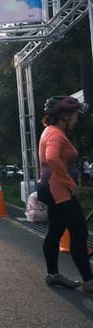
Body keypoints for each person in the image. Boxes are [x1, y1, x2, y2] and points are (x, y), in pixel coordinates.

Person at [38, 95, 92, 293]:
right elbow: (52, 157)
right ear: (64, 115)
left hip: (50, 188)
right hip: (59, 190)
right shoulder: (56, 134)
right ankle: (89, 281)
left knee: (55, 232)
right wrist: (70, 183)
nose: (77, 119)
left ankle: (53, 275)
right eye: (75, 115)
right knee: (79, 232)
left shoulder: (49, 131)